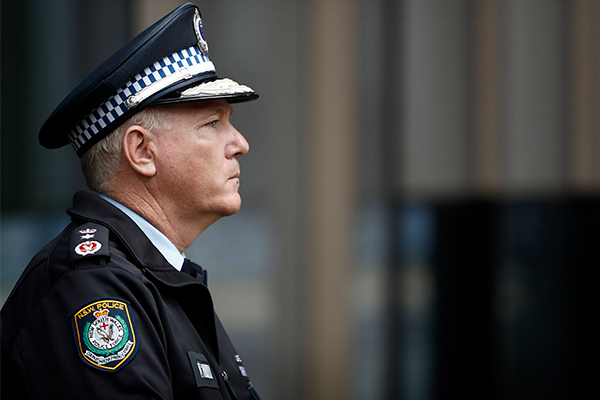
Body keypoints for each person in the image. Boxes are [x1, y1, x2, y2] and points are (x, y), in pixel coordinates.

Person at [0, 3, 262, 399]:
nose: (240, 143)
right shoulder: (93, 288)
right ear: (141, 151)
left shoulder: (157, 277)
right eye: (212, 122)